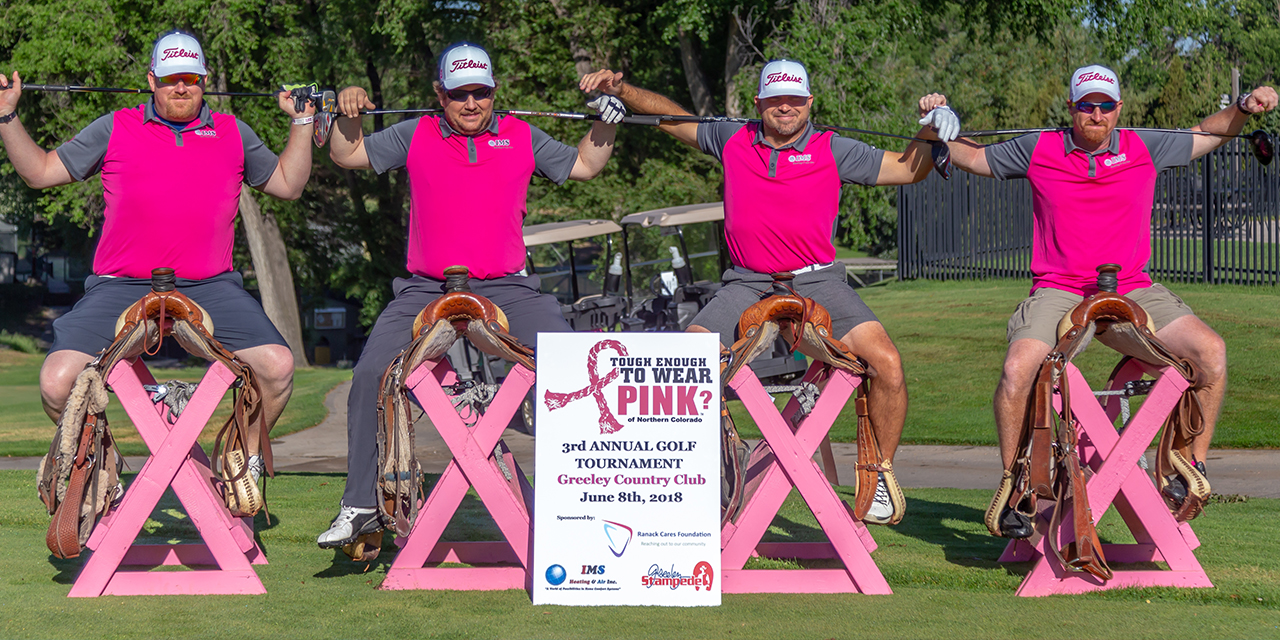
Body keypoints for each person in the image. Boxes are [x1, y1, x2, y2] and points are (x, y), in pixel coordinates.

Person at [579, 59, 959, 524]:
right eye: (776, 99)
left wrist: (930, 130)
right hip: (747, 280)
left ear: (809, 103)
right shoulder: (732, 138)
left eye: (795, 100)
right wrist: (623, 89)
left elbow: (907, 170)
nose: (785, 107)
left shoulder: (832, 147)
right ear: (759, 103)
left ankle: (877, 473)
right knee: (689, 357)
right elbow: (670, 117)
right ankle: (705, 472)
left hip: (817, 279)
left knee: (887, 362)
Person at [942, 64, 1277, 534]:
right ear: (1071, 108)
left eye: (1104, 105)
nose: (1095, 114)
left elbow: (1208, 134)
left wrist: (1242, 108)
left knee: (1211, 354)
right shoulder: (1039, 148)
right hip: (1058, 289)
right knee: (1018, 371)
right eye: (1086, 105)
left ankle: (1187, 468)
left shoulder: (1145, 145)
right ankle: (1017, 490)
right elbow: (974, 159)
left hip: (1133, 285)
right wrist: (938, 123)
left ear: (1119, 108)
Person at [318, 42, 625, 548]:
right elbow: (347, 154)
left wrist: (606, 123)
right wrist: (348, 113)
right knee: (371, 371)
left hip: (506, 286)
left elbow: (586, 166)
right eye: (459, 94)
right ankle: (359, 505)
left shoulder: (522, 135)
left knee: (573, 363)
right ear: (440, 94)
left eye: (480, 93)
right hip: (426, 286)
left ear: (493, 92)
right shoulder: (414, 133)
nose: (471, 104)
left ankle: (584, 501)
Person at [0, 30, 313, 501]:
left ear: (204, 81)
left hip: (211, 286)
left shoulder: (233, 131)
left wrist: (303, 123)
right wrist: (6, 115)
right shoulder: (115, 126)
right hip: (120, 286)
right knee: (56, 381)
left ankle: (239, 459)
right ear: (151, 79)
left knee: (277, 366)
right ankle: (97, 464)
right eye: (170, 80)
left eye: (190, 79)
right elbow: (40, 172)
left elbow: (288, 185)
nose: (180, 89)